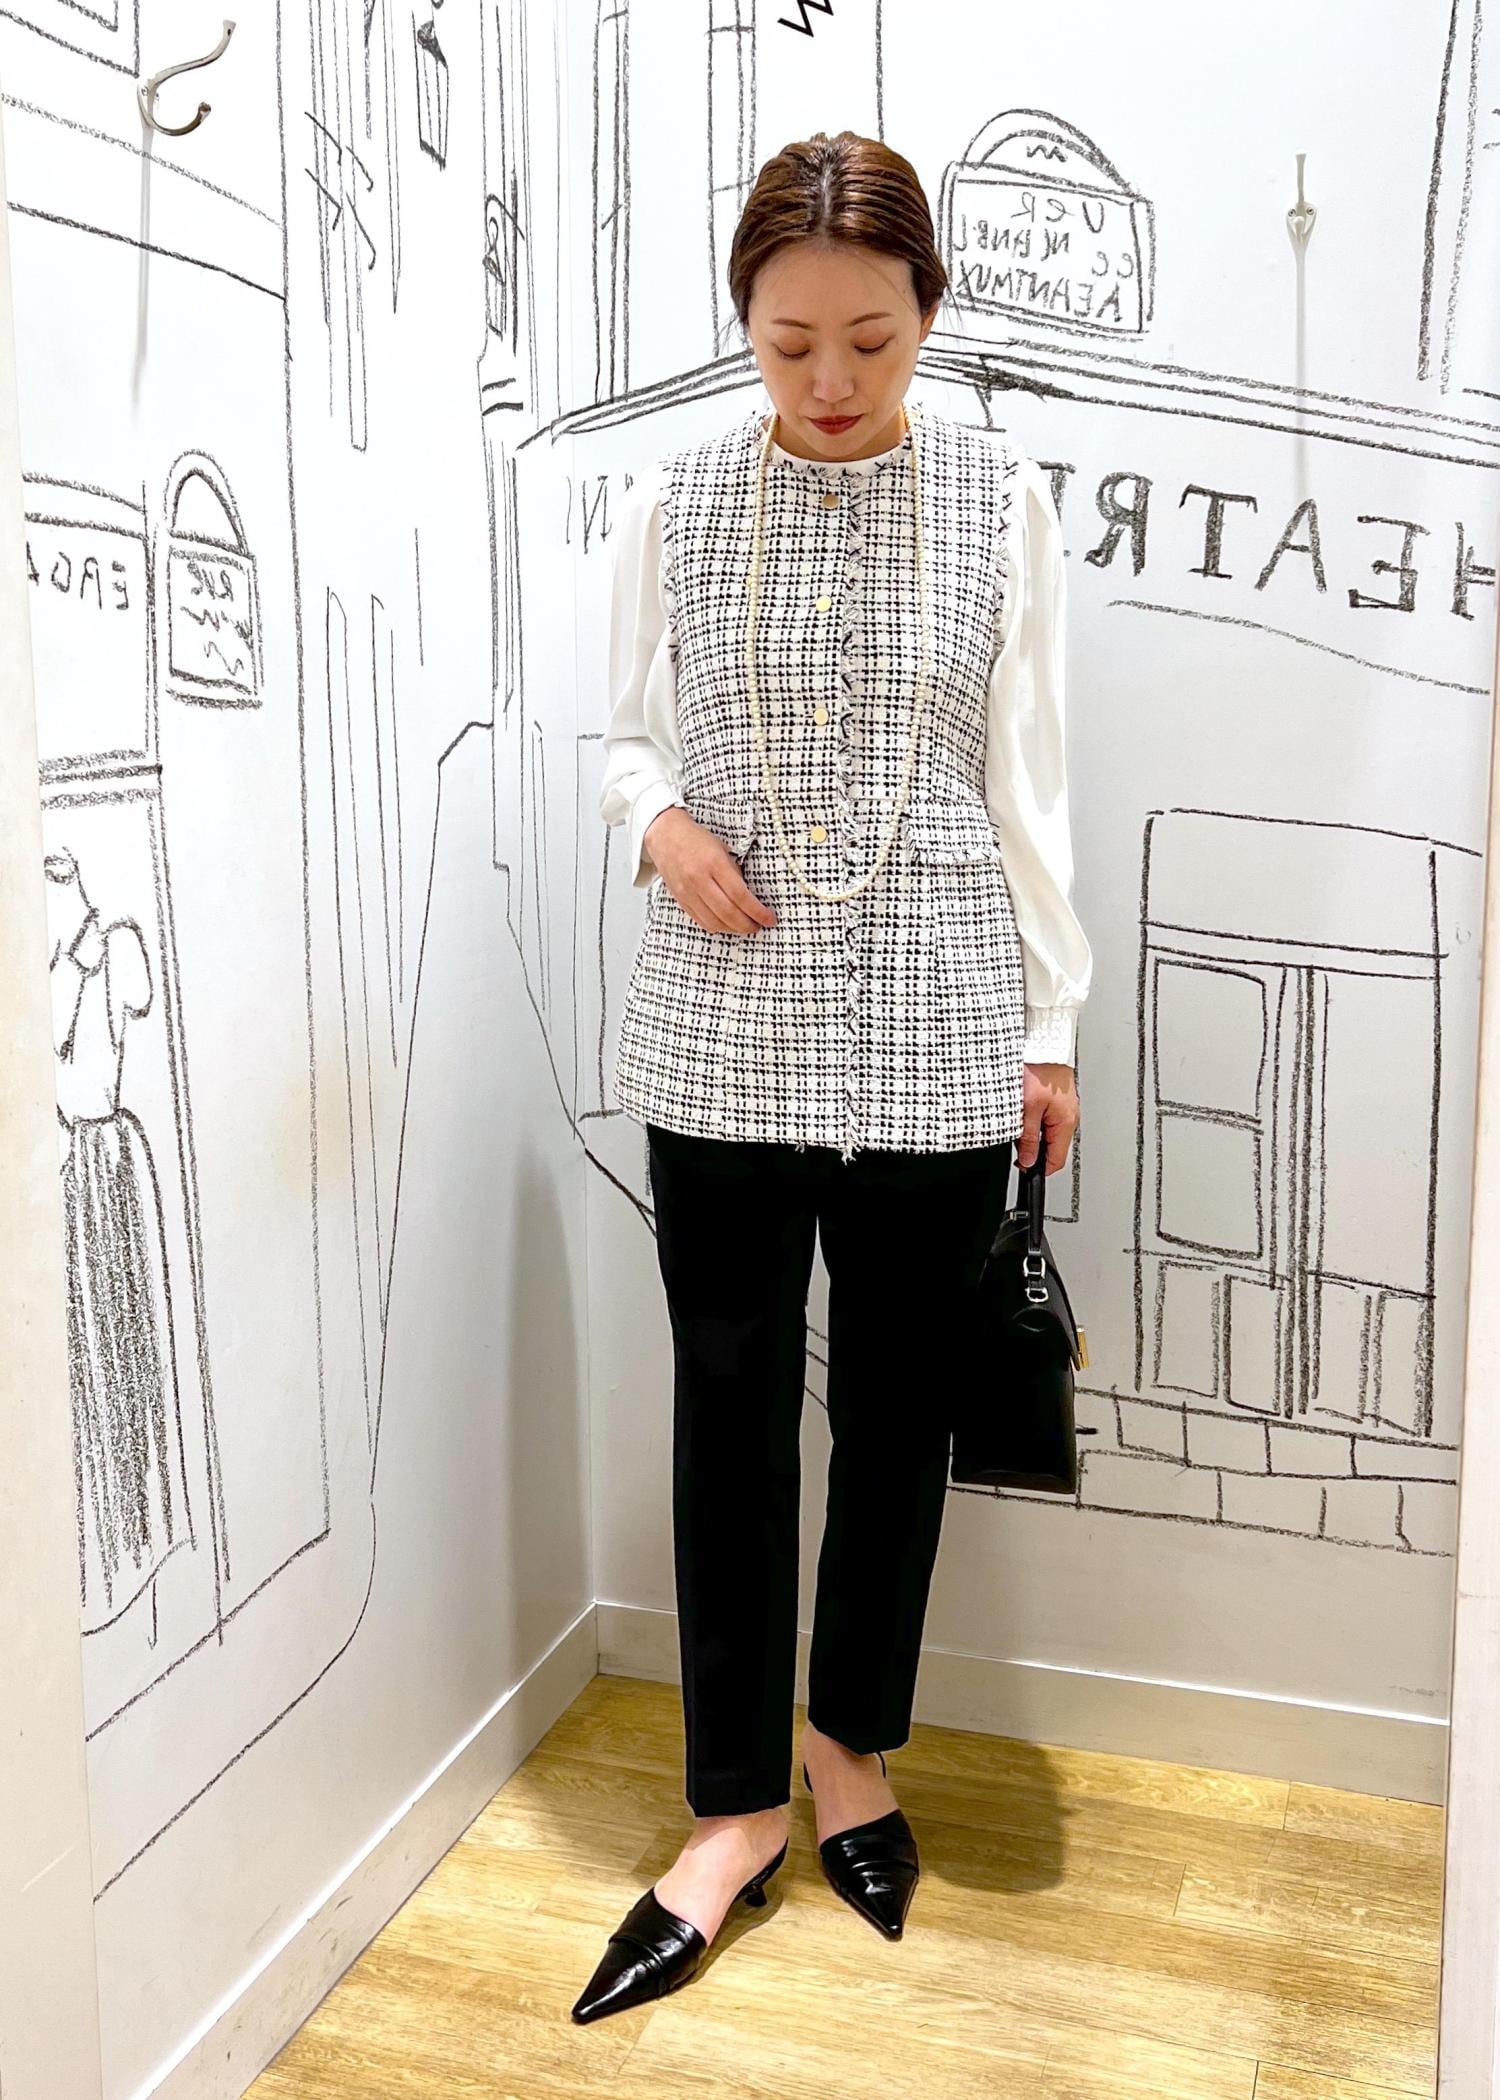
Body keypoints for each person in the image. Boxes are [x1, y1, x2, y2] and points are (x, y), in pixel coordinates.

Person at [574, 129, 1093, 2024]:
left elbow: (1030, 773)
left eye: (870, 339)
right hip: (719, 1018)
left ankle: (848, 1748)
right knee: (726, 1411)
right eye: (789, 342)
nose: (831, 380)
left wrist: (1050, 1025)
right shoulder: (678, 497)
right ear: (746, 325)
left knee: (893, 1414)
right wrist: (659, 823)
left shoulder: (998, 496)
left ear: (928, 315)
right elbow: (622, 733)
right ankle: (731, 1811)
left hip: (941, 1005)